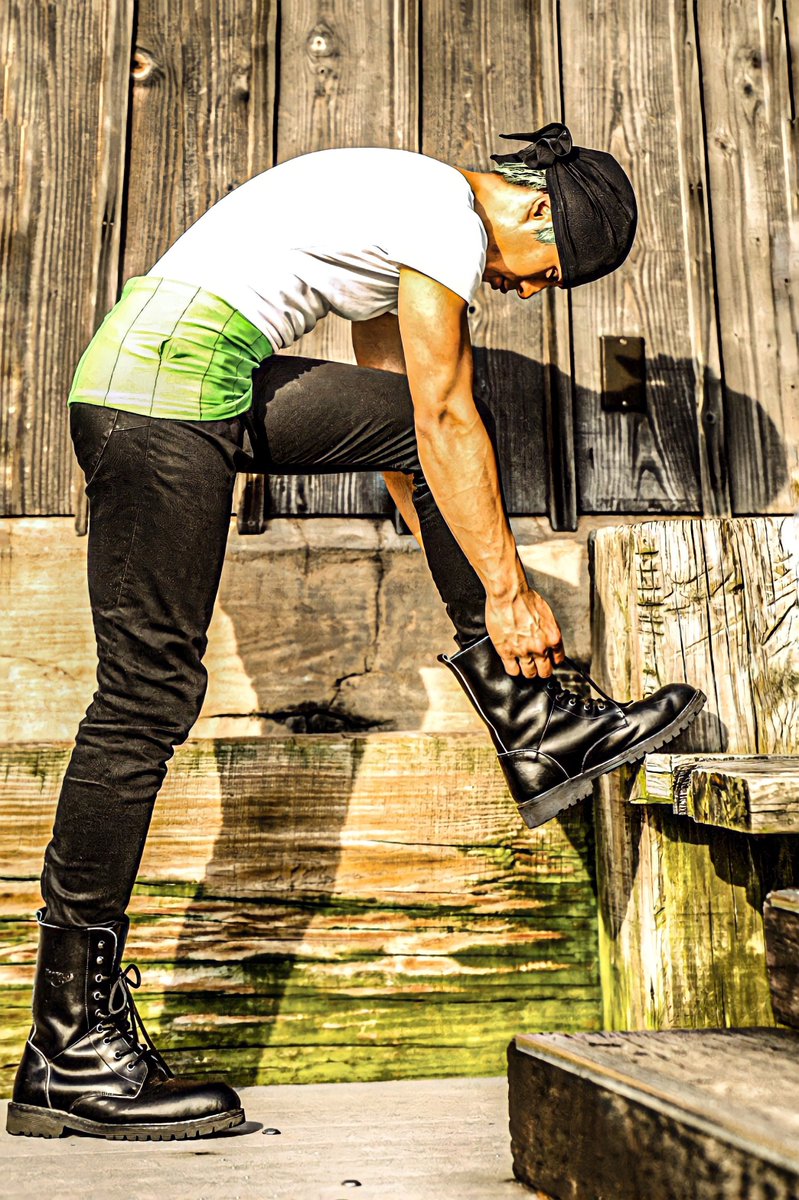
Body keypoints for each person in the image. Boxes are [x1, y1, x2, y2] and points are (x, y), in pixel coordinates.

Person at [7, 122, 705, 1142]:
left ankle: (534, 725)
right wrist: (508, 594)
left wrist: (475, 572)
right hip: (159, 397)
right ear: (536, 209)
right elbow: (445, 418)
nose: (526, 292)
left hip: (180, 377)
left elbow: (407, 433)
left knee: (423, 424)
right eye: (547, 273)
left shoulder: (408, 218)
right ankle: (68, 1047)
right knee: (144, 701)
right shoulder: (444, 213)